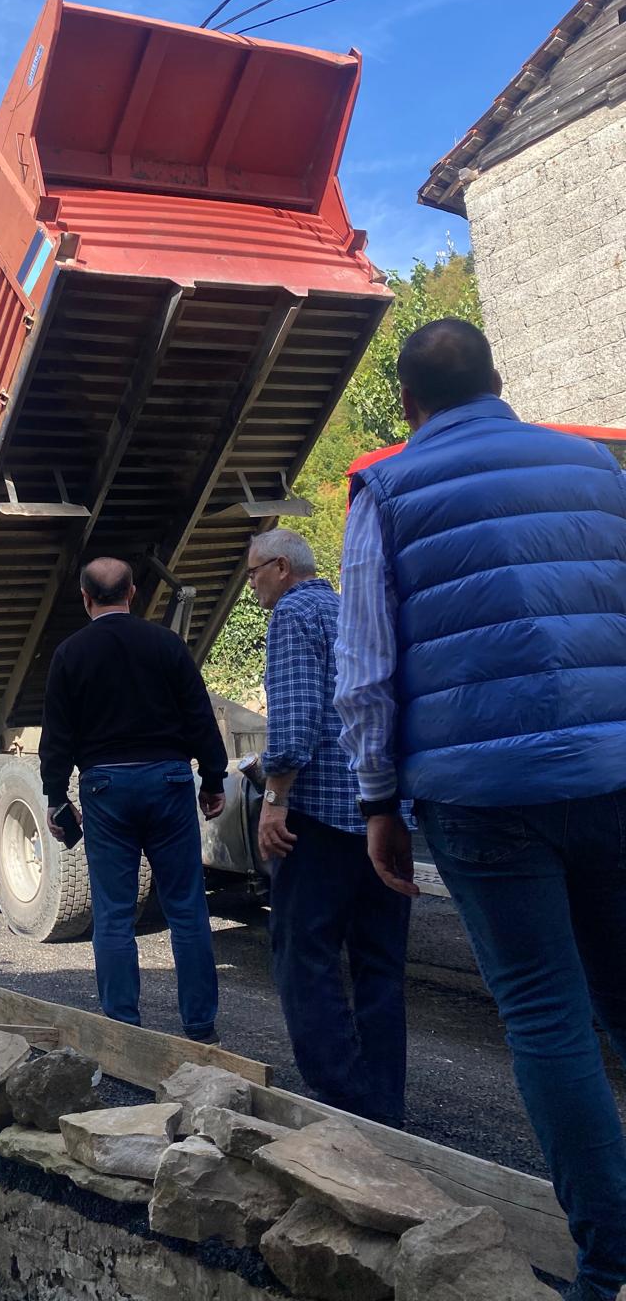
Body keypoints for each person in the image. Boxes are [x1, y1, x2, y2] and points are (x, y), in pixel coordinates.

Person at [335, 317, 626, 1301]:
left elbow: (367, 671)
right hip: (614, 771)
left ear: (408, 406)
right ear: (500, 382)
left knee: (547, 1016)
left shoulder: (385, 488)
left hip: (483, 800)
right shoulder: (595, 467)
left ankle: (614, 1268)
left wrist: (378, 798)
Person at [248, 527, 410, 1127]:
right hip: (381, 811)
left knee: (302, 954)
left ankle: (341, 1098)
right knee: (379, 962)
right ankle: (385, 1104)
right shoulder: (352, 611)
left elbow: (293, 723)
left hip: (319, 818)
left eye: (254, 573)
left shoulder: (292, 614)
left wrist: (274, 798)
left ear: (282, 568)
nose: (251, 585)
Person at [39, 556, 227, 1043]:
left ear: (85, 598)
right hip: (167, 782)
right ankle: (201, 1028)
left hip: (106, 789)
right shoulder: (166, 645)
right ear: (134, 593)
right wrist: (212, 778)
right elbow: (198, 716)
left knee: (115, 912)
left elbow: (57, 736)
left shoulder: (70, 654)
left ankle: (124, 1029)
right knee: (186, 908)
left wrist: (56, 798)